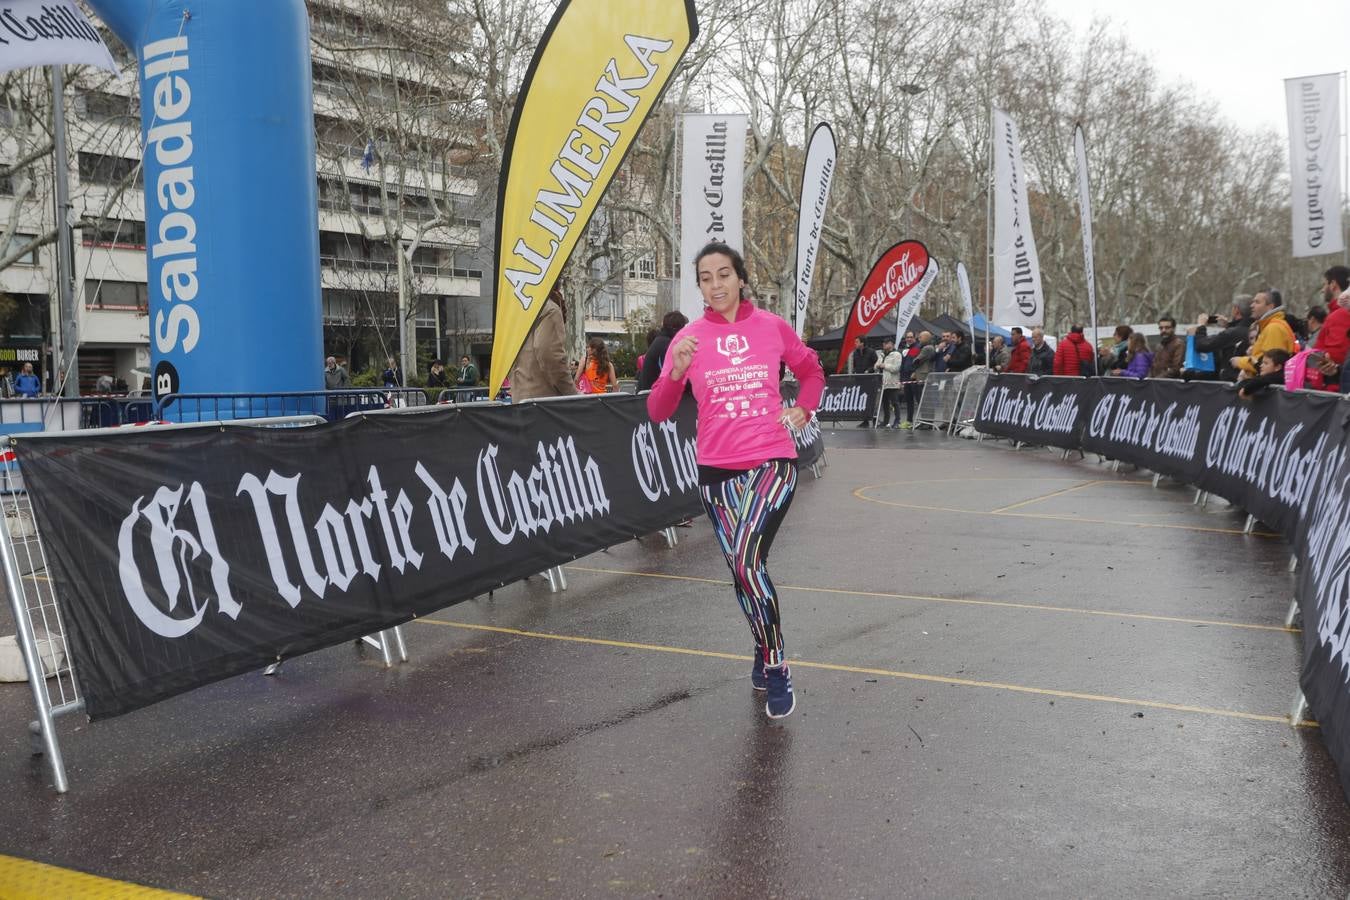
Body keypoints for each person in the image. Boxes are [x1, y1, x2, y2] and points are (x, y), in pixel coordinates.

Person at [647, 241, 824, 719]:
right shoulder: (691, 339)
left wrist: (803, 407)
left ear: (740, 278)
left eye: (724, 274)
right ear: (699, 286)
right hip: (716, 471)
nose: (716, 284)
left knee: (746, 561)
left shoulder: (772, 327)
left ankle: (778, 663)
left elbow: (811, 371)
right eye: (706, 278)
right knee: (746, 570)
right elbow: (659, 410)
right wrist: (674, 373)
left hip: (772, 460)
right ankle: (763, 644)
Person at [512, 285, 580, 401]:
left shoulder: (520, 309)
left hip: (521, 396)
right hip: (545, 401)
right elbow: (550, 355)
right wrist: (572, 393)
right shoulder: (550, 309)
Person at [1187, 297, 1254, 381]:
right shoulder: (1254, 329)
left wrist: (1201, 326)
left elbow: (1202, 345)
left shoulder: (1232, 333)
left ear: (1236, 310)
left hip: (1230, 381)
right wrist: (1229, 325)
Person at [1231, 290, 1295, 377]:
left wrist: (1240, 362)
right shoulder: (1268, 326)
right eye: (1253, 302)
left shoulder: (1274, 328)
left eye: (1257, 302)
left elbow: (1270, 366)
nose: (1252, 305)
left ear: (1270, 306)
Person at [638, 311, 689, 391]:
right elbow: (672, 375)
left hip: (648, 395)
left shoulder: (661, 341)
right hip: (650, 396)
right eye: (683, 327)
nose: (685, 331)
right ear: (676, 329)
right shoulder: (666, 345)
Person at [908, 331, 937, 427]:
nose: (918, 339)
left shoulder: (927, 348)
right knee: (922, 400)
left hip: (924, 377)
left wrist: (915, 360)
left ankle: (928, 422)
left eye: (920, 337)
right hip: (920, 376)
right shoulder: (922, 347)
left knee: (925, 400)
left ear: (926, 338)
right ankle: (925, 421)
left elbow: (916, 360)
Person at [873, 338, 904, 428]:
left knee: (895, 402)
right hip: (883, 383)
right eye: (884, 343)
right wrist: (878, 365)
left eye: (887, 343)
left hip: (892, 383)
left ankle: (897, 421)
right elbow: (875, 366)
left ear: (892, 344)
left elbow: (896, 368)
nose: (885, 345)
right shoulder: (882, 355)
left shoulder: (897, 354)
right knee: (885, 403)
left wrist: (884, 366)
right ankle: (886, 421)